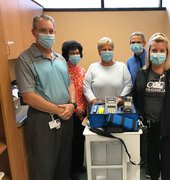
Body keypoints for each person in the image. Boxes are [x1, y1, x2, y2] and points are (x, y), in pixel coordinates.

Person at [15, 15, 75, 180]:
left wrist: (72, 104)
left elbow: (70, 84)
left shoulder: (60, 59)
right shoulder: (25, 59)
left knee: (64, 163)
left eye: (51, 31)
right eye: (43, 30)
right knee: (44, 167)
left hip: (66, 117)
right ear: (34, 32)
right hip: (43, 119)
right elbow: (28, 96)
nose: (48, 35)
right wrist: (58, 110)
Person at [133, 33, 170, 180]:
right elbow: (135, 97)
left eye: (161, 50)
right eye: (154, 50)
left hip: (168, 128)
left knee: (167, 162)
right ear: (149, 52)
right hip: (149, 127)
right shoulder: (142, 74)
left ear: (167, 53)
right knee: (152, 162)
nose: (157, 54)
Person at [61, 40, 87, 180]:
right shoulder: (62, 71)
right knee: (70, 143)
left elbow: (85, 90)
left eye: (77, 53)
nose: (75, 55)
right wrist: (76, 108)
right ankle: (72, 170)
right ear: (66, 55)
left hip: (83, 113)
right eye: (72, 53)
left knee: (80, 139)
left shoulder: (82, 70)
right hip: (69, 112)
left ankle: (78, 164)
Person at [126, 31, 149, 177]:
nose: (135, 45)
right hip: (138, 101)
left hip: (153, 101)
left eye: (138, 42)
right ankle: (142, 162)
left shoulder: (151, 57)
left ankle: (150, 164)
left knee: (152, 135)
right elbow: (130, 84)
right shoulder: (129, 62)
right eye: (132, 42)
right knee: (141, 133)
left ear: (144, 43)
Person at [83, 37, 132, 105]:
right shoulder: (93, 67)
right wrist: (93, 100)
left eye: (110, 49)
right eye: (104, 49)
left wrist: (121, 97)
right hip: (98, 108)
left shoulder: (122, 66)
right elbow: (86, 87)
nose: (107, 51)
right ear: (99, 52)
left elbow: (128, 84)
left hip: (117, 107)